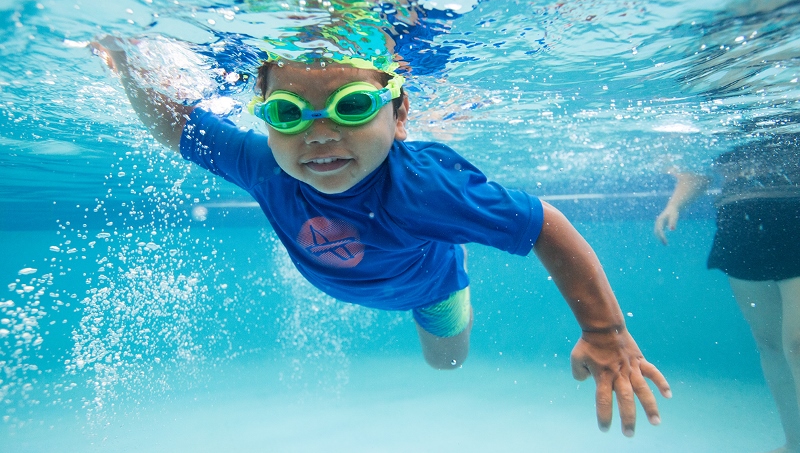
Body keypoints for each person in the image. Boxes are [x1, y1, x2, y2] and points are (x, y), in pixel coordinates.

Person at [93, 35, 671, 437]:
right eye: (289, 114)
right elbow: (178, 123)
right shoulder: (263, 165)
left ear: (398, 117)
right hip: (349, 278)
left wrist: (604, 330)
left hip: (430, 287)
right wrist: (129, 62)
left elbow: (546, 224)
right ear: (267, 119)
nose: (319, 135)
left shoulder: (423, 189)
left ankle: (452, 254)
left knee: (446, 364)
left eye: (352, 107)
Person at [655, 135, 800, 453]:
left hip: (796, 212)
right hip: (740, 221)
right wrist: (674, 204)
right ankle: (794, 442)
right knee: (770, 343)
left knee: (797, 342)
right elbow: (696, 172)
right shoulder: (709, 97)